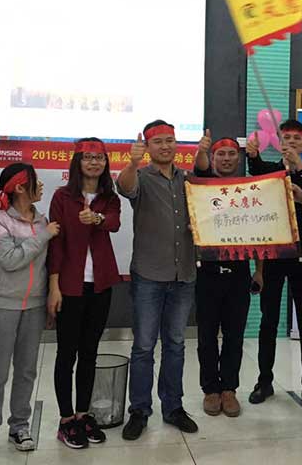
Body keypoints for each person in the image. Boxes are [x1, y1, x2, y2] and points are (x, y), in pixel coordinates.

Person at [116, 120, 198, 440]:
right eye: (158, 141)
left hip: (184, 274)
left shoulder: (188, 180)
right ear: (148, 147)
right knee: (144, 346)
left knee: (176, 344)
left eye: (170, 140)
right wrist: (132, 162)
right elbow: (124, 187)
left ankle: (173, 407)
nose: (165, 146)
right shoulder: (141, 177)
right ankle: (139, 410)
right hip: (149, 275)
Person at [0, 163, 60, 462]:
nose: (42, 186)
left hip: (34, 306)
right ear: (21, 187)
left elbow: (46, 264)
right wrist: (43, 236)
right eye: (36, 182)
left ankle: (20, 426)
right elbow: (10, 261)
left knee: (26, 370)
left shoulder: (42, 220)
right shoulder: (0, 221)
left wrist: (48, 297)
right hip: (2, 305)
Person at [47, 138, 123, 449]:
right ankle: (66, 420)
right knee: (67, 353)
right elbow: (56, 243)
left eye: (99, 158)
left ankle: (83, 414)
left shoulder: (109, 197)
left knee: (90, 351)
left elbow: (114, 223)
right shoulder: (62, 197)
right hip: (69, 285)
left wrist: (98, 218)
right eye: (88, 158)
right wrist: (53, 286)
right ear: (77, 163)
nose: (94, 163)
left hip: (100, 284)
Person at [246, 119, 302, 410]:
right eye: (286, 138)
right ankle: (264, 381)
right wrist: (253, 154)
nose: (291, 142)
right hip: (273, 256)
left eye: (296, 139)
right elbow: (255, 168)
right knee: (268, 321)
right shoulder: (270, 170)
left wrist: (298, 166)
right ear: (279, 142)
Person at [193, 132, 252, 417]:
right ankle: (210, 390)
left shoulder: (248, 189)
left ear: (238, 159)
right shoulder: (203, 184)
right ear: (213, 158)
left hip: (239, 271)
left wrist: (260, 271)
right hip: (207, 272)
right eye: (220, 154)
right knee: (206, 335)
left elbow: (259, 234)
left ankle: (229, 389)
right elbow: (201, 168)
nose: (226, 159)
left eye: (231, 154)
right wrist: (201, 151)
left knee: (234, 335)